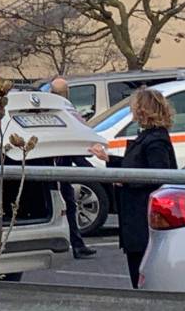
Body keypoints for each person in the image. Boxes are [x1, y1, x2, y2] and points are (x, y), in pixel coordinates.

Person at [89, 87, 177, 289]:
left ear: (143, 110)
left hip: (141, 215)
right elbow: (139, 166)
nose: (132, 111)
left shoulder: (155, 141)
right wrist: (109, 159)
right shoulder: (152, 137)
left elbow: (159, 175)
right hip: (137, 215)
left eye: (135, 107)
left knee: (140, 269)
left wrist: (126, 179)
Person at [48, 77, 96, 259]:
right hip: (57, 165)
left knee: (68, 204)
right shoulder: (59, 111)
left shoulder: (58, 110)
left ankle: (76, 243)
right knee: (64, 205)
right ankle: (73, 244)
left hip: (61, 165)